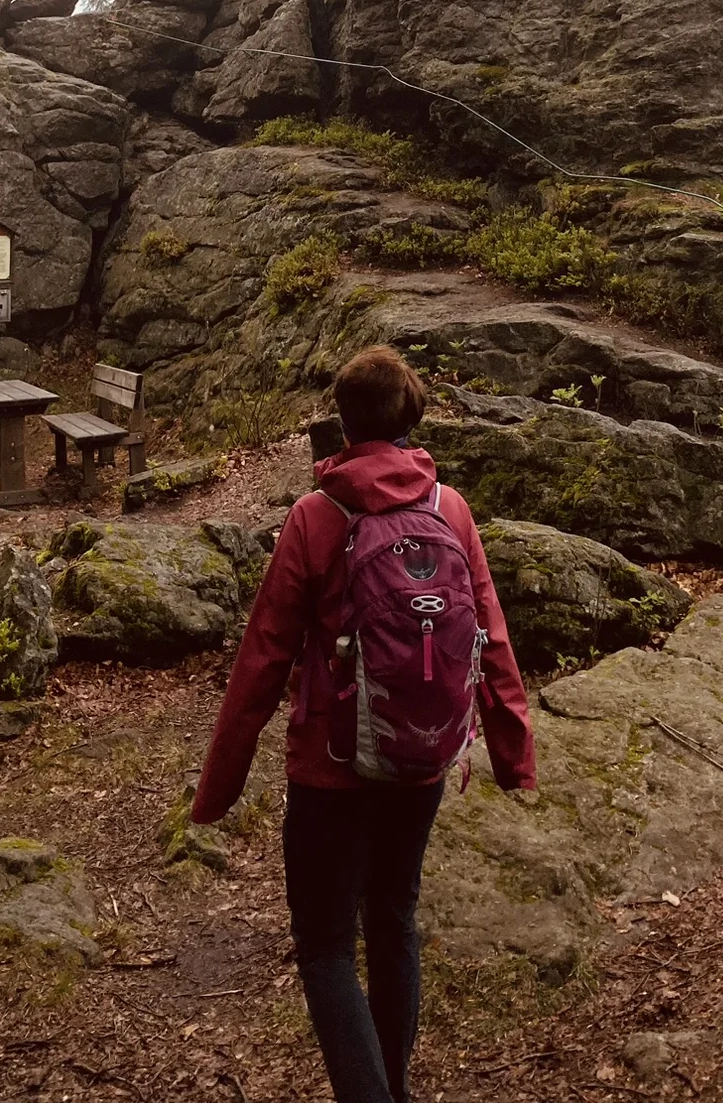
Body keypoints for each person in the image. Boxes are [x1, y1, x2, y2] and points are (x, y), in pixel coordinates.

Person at [191, 344, 536, 1103]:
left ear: (341, 426)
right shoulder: (451, 508)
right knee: (393, 917)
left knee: (324, 947)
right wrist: (513, 755)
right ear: (411, 420)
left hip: (330, 766)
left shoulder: (316, 518)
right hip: (423, 757)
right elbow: (492, 634)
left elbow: (262, 661)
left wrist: (216, 789)